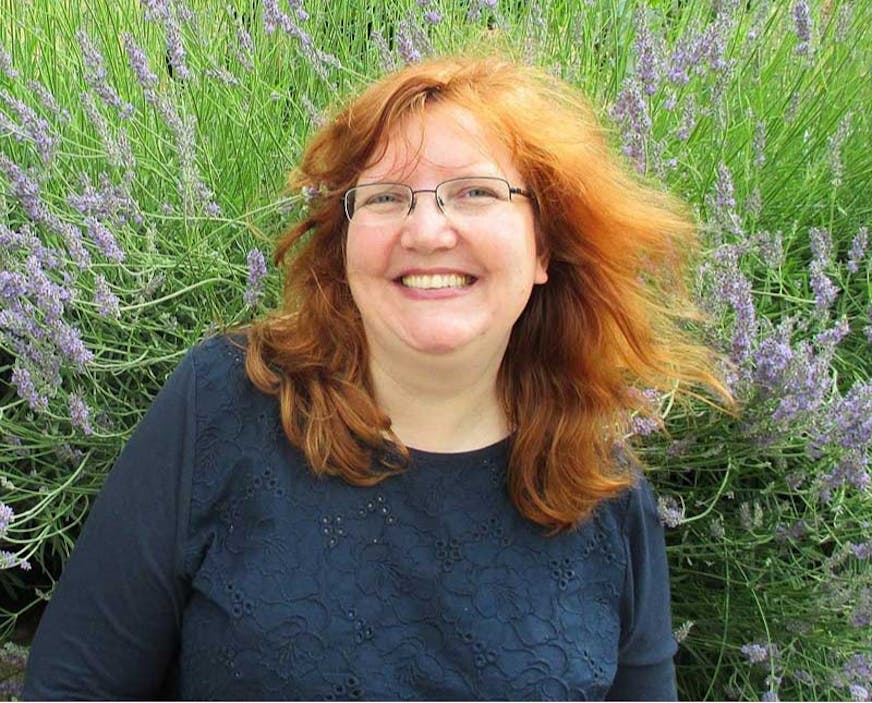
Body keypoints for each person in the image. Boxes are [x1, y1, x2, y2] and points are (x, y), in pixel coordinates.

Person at [24, 54, 729, 700]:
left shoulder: (600, 488)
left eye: (475, 192)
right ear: (346, 241)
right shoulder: (223, 407)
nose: (426, 231)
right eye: (388, 197)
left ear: (544, 245)